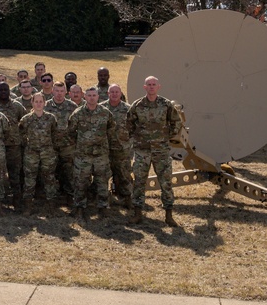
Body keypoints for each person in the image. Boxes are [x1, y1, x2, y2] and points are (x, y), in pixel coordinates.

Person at [128, 76, 184, 227]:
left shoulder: (165, 104)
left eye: (154, 84)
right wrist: (137, 139)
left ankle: (169, 215)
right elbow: (129, 124)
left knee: (166, 182)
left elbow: (177, 122)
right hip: (142, 151)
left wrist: (166, 137)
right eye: (149, 85)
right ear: (144, 87)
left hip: (161, 151)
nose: (151, 87)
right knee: (139, 181)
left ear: (158, 87)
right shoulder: (137, 105)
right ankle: (137, 213)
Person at [67, 87, 116, 222]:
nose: (92, 98)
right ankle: (79, 207)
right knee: (80, 182)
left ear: (98, 97)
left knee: (102, 181)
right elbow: (71, 132)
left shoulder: (105, 113)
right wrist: (80, 144)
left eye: (94, 95)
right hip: (83, 155)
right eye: (89, 95)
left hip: (101, 154)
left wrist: (103, 143)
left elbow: (111, 129)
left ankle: (103, 207)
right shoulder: (78, 113)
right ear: (85, 97)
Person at [17, 92, 61, 214]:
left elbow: (55, 134)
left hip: (47, 152)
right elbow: (20, 134)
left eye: (41, 101)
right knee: (29, 179)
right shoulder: (26, 119)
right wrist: (28, 145)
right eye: (36, 101)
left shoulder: (51, 118)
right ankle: (28, 206)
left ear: (45, 103)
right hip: (32, 153)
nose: (38, 104)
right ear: (32, 103)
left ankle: (52, 206)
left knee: (49, 178)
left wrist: (51, 148)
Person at [105, 84, 133, 208]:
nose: (115, 94)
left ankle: (128, 198)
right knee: (103, 175)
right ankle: (105, 200)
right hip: (106, 149)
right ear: (108, 94)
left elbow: (135, 127)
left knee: (124, 174)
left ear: (121, 93)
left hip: (123, 149)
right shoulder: (102, 109)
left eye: (117, 92)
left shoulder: (128, 109)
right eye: (112, 92)